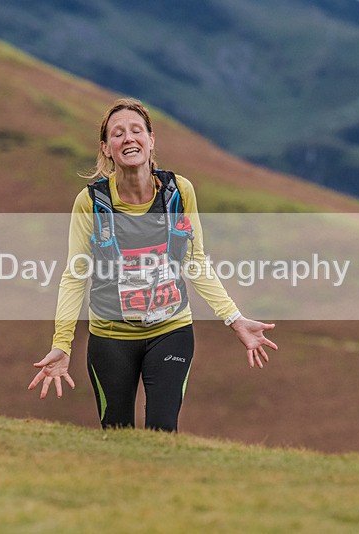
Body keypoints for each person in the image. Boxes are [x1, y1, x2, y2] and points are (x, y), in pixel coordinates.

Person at [28, 98, 277, 432]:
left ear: (151, 139)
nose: (129, 138)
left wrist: (234, 319)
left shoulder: (179, 192)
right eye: (118, 134)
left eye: (136, 130)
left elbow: (195, 262)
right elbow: (75, 276)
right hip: (110, 338)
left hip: (171, 331)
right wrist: (62, 344)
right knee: (117, 435)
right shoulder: (90, 203)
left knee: (163, 430)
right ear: (106, 148)